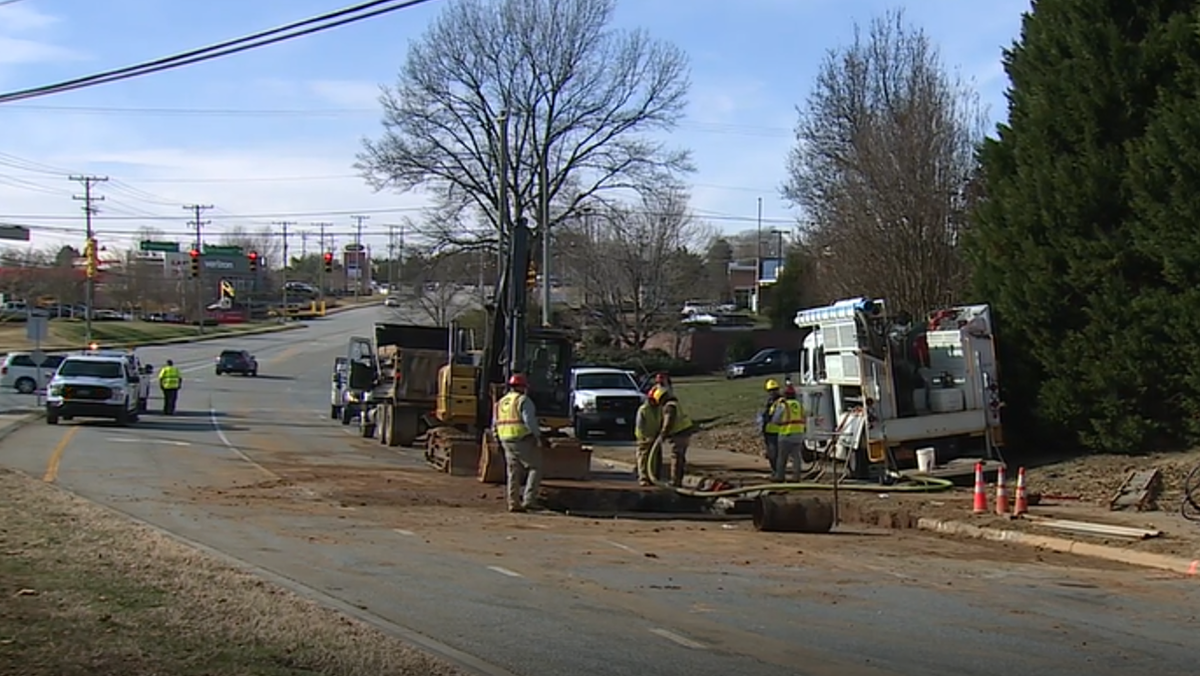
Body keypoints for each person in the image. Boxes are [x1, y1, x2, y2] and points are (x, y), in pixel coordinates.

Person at [493, 373, 544, 513]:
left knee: (513, 472)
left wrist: (496, 437)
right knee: (535, 468)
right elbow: (529, 421)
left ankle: (513, 503)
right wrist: (538, 436)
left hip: (505, 440)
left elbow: (495, 423)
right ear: (523, 387)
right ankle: (529, 500)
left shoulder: (501, 402)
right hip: (521, 439)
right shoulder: (523, 400)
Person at [656, 386, 696, 488]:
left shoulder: (669, 407)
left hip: (679, 433)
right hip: (685, 431)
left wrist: (662, 435)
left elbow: (668, 422)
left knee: (676, 457)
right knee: (680, 457)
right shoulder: (676, 403)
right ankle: (678, 480)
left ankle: (675, 481)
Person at [771, 385, 806, 482]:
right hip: (798, 434)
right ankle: (796, 478)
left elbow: (775, 420)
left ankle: (780, 477)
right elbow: (804, 418)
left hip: (786, 434)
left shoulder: (783, 405)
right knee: (797, 458)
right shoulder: (799, 405)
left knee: (782, 458)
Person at [634, 386, 666, 486]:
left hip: (655, 438)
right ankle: (643, 477)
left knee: (655, 459)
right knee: (644, 458)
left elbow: (661, 421)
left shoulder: (659, 409)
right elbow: (639, 426)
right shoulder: (643, 410)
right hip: (645, 438)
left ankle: (654, 477)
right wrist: (643, 438)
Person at [760, 378, 783, 474]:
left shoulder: (781, 402)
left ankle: (778, 473)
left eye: (774, 390)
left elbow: (777, 417)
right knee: (772, 454)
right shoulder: (770, 402)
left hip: (777, 432)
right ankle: (776, 472)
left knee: (775, 455)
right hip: (769, 432)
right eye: (770, 391)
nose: (772, 392)